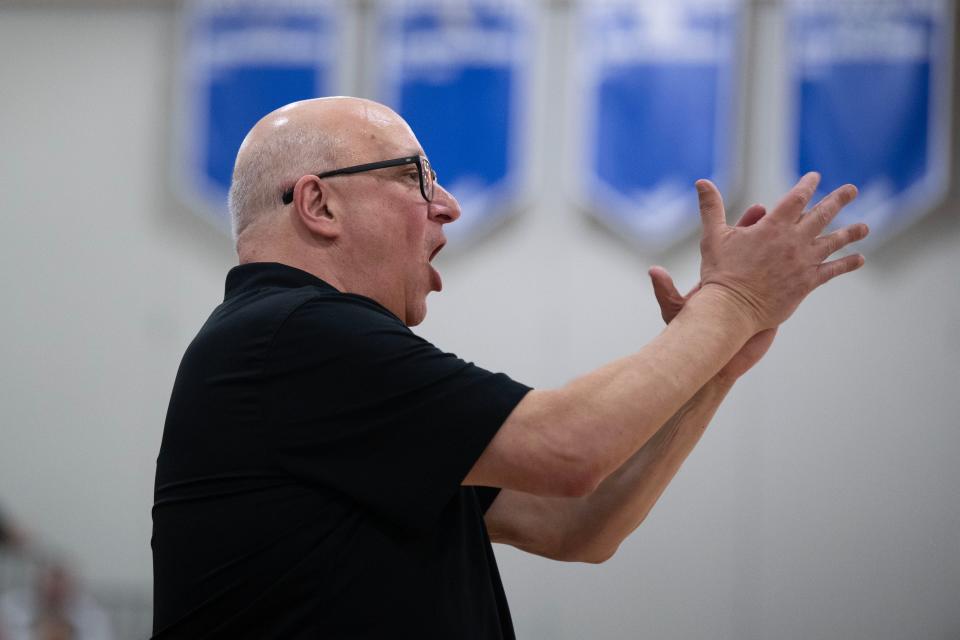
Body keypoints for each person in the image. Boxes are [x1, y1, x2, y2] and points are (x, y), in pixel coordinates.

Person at [151, 97, 868, 639]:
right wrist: (735, 300)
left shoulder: (296, 355)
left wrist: (718, 364)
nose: (450, 206)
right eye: (415, 177)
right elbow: (570, 445)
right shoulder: (289, 335)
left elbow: (576, 524)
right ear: (319, 203)